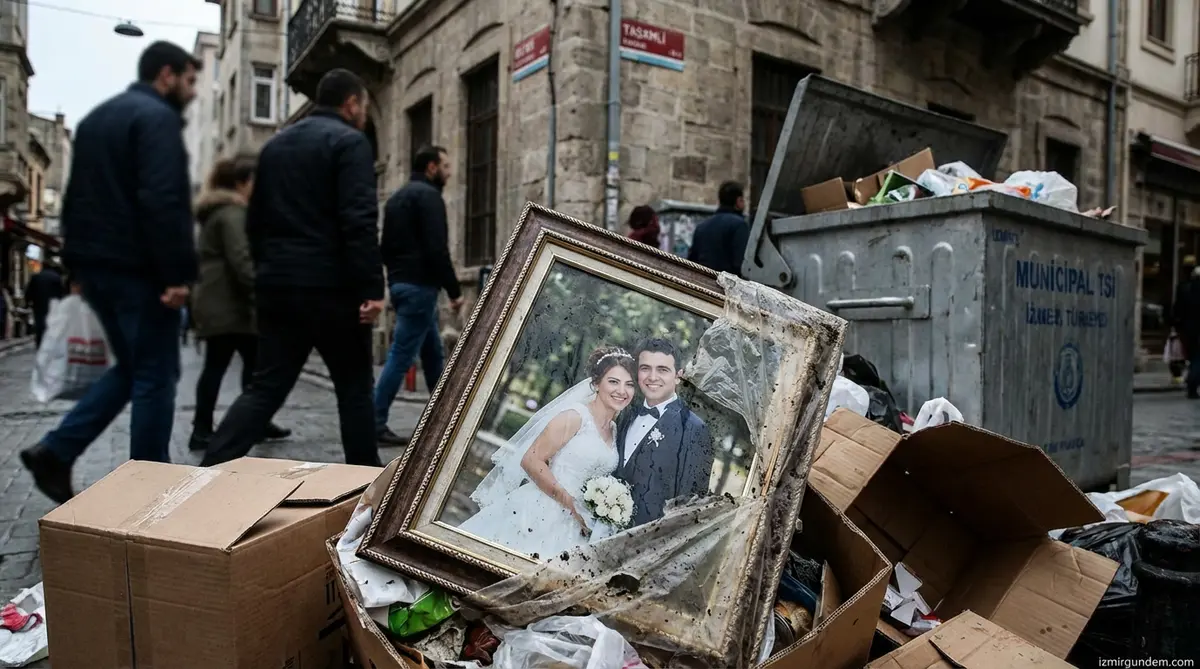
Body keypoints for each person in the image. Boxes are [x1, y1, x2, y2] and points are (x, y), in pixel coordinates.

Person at [20, 41, 200, 504]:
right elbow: (163, 199)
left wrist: (77, 268)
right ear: (166, 74)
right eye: (189, 80)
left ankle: (56, 451)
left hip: (97, 267)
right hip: (140, 270)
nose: (192, 91)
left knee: (133, 369)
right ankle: (150, 490)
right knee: (155, 375)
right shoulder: (156, 118)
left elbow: (77, 196)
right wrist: (176, 274)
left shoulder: (98, 119)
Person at [198, 68, 385, 468]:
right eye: (364, 106)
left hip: (279, 286)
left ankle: (209, 469)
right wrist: (371, 288)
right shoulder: (349, 142)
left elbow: (255, 222)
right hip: (333, 289)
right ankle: (364, 482)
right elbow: (358, 220)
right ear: (351, 103)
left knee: (266, 387)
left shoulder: (275, 147)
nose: (364, 114)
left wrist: (267, 274)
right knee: (354, 389)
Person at [459, 347, 636, 557]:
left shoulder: (614, 429)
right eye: (613, 381)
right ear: (597, 383)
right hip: (541, 510)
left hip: (579, 524)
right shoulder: (574, 416)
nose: (622, 390)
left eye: (629, 384)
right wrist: (571, 505)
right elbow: (531, 460)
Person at [188, 155, 291, 452]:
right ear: (242, 183)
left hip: (224, 302)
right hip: (229, 303)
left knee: (250, 365)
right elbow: (241, 259)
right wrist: (262, 292)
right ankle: (205, 429)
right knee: (231, 366)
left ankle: (252, 422)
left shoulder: (220, 212)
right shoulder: (232, 213)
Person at [375, 145, 464, 446]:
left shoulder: (395, 199)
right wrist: (454, 291)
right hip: (420, 288)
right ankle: (374, 422)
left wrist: (396, 279)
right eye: (446, 166)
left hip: (401, 285)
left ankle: (446, 418)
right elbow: (437, 249)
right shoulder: (429, 198)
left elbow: (385, 248)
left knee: (433, 354)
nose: (449, 173)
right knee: (401, 355)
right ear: (431, 167)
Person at [615, 338, 714, 527]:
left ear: (678, 376)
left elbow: (689, 508)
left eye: (662, 370)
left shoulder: (694, 429)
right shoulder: (625, 413)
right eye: (645, 368)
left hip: (648, 539)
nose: (652, 377)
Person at [687, 181, 750, 276]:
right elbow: (741, 264)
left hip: (702, 280)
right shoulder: (739, 225)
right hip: (726, 282)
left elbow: (692, 262)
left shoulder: (701, 227)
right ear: (738, 201)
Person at [1172, 256, 1200, 398]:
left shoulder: (1183, 287)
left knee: (1193, 356)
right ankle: (1192, 384)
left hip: (1187, 329)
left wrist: (1176, 326)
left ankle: (1191, 383)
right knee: (1197, 358)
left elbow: (1177, 309)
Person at [25, 259, 65, 348]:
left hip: (38, 304)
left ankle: (40, 342)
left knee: (39, 323)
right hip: (53, 304)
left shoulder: (36, 277)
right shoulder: (56, 277)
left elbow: (29, 291)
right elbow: (61, 292)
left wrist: (27, 302)